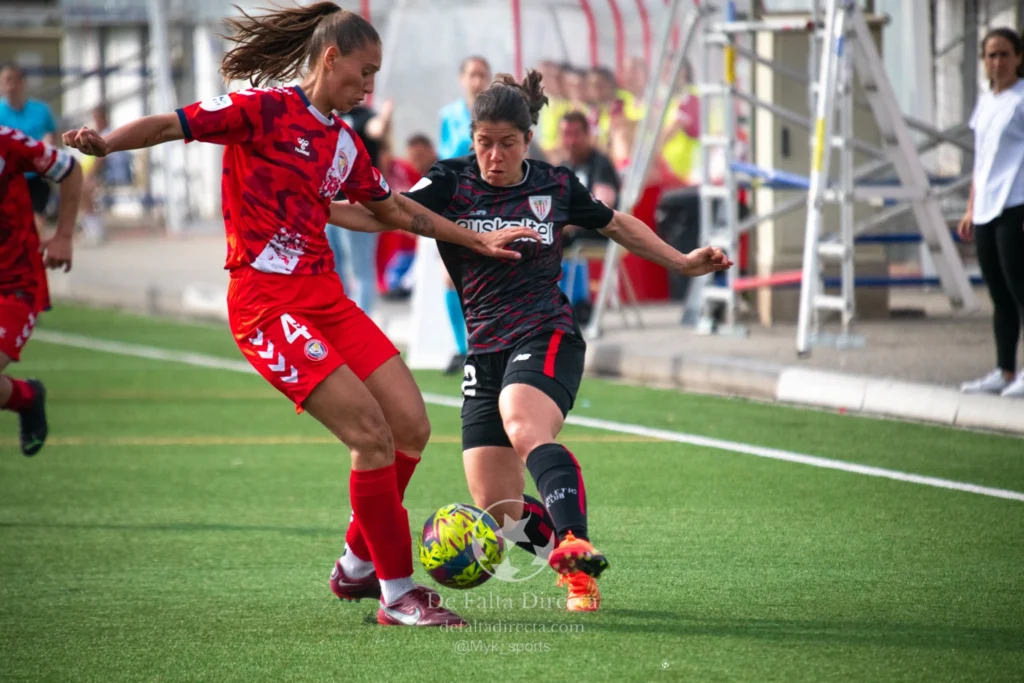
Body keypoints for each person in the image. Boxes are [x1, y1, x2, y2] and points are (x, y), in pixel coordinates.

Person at [63, 2, 539, 628]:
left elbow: (393, 210)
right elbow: (168, 127)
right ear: (330, 58)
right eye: (363, 73)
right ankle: (399, 594)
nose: (369, 88)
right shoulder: (257, 112)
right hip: (264, 304)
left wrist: (476, 239)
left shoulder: (342, 142)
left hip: (325, 297)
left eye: (376, 77)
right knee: (369, 435)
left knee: (411, 427)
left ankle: (357, 564)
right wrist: (107, 143)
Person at [344, 71, 732, 612]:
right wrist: (311, 209)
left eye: (507, 144)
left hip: (545, 332)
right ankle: (573, 566)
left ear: (528, 140)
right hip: (485, 351)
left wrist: (682, 261)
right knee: (498, 509)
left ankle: (574, 540)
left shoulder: (554, 184)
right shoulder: (451, 182)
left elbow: (617, 223)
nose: (495, 156)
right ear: (472, 139)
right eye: (484, 143)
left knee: (522, 420)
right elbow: (386, 212)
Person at [1, 126, 82, 456]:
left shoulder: (7, 143)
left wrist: (63, 235)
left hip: (14, 284)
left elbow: (71, 170)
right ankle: (26, 398)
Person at [958, 27, 1024, 399]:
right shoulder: (986, 102)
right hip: (985, 208)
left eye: (1004, 54)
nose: (997, 62)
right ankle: (1004, 370)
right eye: (991, 55)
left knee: (1020, 288)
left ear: (1018, 57)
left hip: (1015, 204)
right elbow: (981, 160)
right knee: (999, 293)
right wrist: (970, 206)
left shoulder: (1021, 99)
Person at [437, 56, 492, 374]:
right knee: (451, 276)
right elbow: (446, 155)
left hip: (491, 198)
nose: (477, 80)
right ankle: (463, 348)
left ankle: (488, 343)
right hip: (460, 199)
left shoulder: (497, 114)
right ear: (462, 79)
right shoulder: (450, 115)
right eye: (472, 74)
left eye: (483, 74)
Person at [327, 100, 393, 315]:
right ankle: (339, 317)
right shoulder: (329, 114)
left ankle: (362, 321)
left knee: (360, 269)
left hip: (357, 204)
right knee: (334, 269)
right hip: (330, 204)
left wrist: (386, 115)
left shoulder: (365, 115)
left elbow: (377, 130)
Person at [0, 65, 60, 233]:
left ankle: (36, 256)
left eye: (15, 80)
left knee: (36, 223)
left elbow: (52, 133)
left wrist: (48, 144)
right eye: (6, 81)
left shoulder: (41, 110)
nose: (11, 86)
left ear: (23, 83)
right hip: (7, 178)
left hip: (35, 177)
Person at [78, 103, 134, 245]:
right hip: (106, 174)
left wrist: (88, 176)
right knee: (81, 187)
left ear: (104, 118)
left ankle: (94, 230)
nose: (95, 121)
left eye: (97, 117)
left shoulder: (106, 135)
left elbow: (100, 160)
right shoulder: (100, 133)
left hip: (115, 175)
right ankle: (92, 228)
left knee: (85, 189)